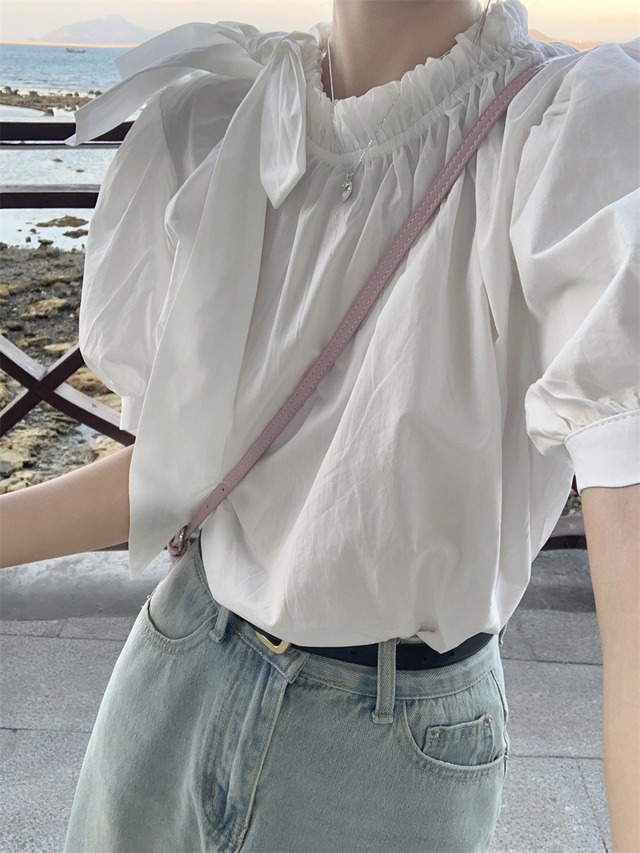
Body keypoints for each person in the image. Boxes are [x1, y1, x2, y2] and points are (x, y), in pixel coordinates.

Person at [1, 0, 638, 850]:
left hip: (385, 751)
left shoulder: (570, 135)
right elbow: (178, 476)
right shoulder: (222, 123)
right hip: (175, 661)